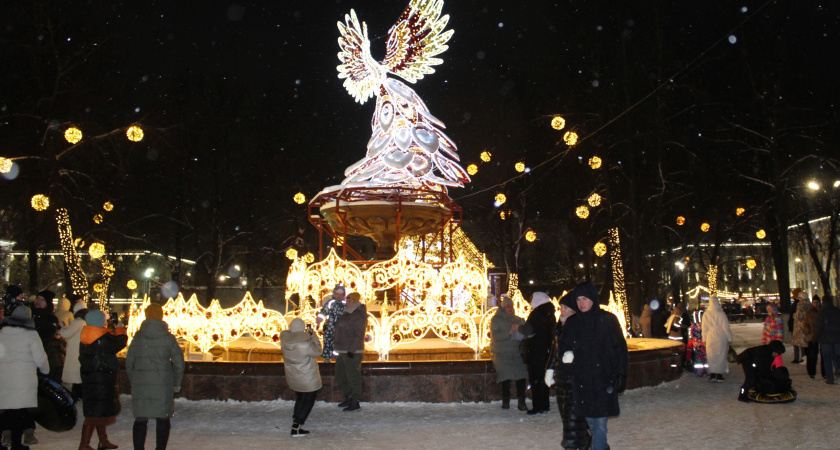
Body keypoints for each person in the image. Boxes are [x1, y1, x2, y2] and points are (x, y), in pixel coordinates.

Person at [557, 282, 628, 450]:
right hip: (582, 382)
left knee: (600, 425)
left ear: (593, 300)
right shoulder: (573, 323)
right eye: (579, 299)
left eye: (585, 299)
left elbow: (620, 347)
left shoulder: (607, 320)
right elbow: (563, 346)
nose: (582, 303)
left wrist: (621, 373)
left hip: (603, 380)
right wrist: (568, 362)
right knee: (591, 423)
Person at [126, 304, 185, 449]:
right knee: (162, 418)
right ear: (161, 316)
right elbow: (179, 362)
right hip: (162, 384)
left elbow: (129, 361)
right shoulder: (168, 338)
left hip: (141, 383)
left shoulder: (138, 337)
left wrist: (134, 380)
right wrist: (177, 382)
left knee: (140, 419)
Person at [0, 305, 49, 450]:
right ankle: (17, 443)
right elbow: (40, 357)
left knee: (6, 410)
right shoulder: (31, 335)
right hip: (24, 378)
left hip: (4, 377)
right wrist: (45, 371)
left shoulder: (2, 333)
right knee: (20, 412)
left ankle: (6, 438)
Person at [77, 310, 128, 450]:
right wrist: (119, 328)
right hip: (102, 378)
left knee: (97, 410)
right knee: (94, 413)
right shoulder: (102, 339)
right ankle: (84, 444)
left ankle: (103, 440)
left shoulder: (87, 335)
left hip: (91, 377)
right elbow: (120, 342)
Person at [546, 293, 589, 450]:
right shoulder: (560, 326)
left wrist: (573, 356)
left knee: (573, 418)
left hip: (574, 379)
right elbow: (555, 351)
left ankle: (581, 444)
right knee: (566, 416)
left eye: (566, 308)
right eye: (561, 308)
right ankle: (583, 441)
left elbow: (587, 351)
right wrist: (549, 370)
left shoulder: (579, 326)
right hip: (561, 378)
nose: (562, 311)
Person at [280, 318, 323, 436]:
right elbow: (318, 351)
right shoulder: (305, 344)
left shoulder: (285, 342)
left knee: (300, 398)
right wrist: (313, 337)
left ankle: (296, 420)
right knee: (308, 400)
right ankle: (296, 426)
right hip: (307, 377)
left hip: (294, 376)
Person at [518, 291, 555, 415]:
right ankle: (545, 404)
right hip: (546, 350)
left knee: (536, 378)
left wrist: (519, 326)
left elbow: (528, 329)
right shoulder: (550, 312)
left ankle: (538, 406)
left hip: (536, 351)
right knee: (543, 379)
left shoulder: (536, 314)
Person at [489, 295, 527, 410]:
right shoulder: (496, 320)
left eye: (511, 306)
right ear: (503, 308)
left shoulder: (517, 319)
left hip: (514, 353)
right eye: (507, 306)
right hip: (501, 353)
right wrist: (510, 332)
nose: (510, 308)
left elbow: (525, 333)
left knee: (521, 375)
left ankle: (521, 401)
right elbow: (495, 336)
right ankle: (506, 400)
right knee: (505, 376)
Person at [332, 291, 367, 412]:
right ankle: (349, 396)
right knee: (341, 375)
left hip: (353, 351)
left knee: (352, 376)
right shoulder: (347, 313)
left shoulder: (358, 315)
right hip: (342, 350)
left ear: (355, 301)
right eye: (347, 300)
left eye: (349, 300)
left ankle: (355, 400)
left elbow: (359, 334)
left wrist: (352, 350)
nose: (346, 302)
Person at [59, 302, 88, 398]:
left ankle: (73, 396)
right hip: (81, 351)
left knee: (72, 377)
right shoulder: (85, 322)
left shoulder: (77, 322)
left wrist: (62, 329)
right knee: (78, 376)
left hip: (74, 352)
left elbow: (66, 334)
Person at [702, 297, 733, 382]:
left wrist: (704, 339)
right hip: (721, 337)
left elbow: (704, 328)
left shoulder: (706, 314)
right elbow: (726, 327)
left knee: (711, 356)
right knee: (721, 355)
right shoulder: (721, 314)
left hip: (710, 337)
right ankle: (719, 374)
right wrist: (730, 338)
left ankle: (712, 374)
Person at [815, 295, 840, 385]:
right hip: (837, 339)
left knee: (827, 359)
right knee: (838, 357)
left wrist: (815, 338)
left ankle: (830, 378)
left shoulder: (821, 312)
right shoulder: (837, 311)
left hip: (825, 340)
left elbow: (817, 327)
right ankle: (838, 372)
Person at [316, 286, 346, 360]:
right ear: (334, 294)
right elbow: (323, 313)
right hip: (330, 326)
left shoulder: (345, 304)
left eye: (341, 295)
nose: (339, 296)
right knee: (328, 341)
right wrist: (318, 322)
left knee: (339, 342)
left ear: (343, 295)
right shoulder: (330, 303)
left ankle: (338, 358)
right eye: (337, 294)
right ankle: (327, 358)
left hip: (341, 328)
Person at [802, 296, 824, 379]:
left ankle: (824, 373)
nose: (816, 304)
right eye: (814, 302)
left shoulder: (822, 311)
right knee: (812, 356)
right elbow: (805, 323)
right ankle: (811, 372)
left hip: (822, 336)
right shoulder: (809, 313)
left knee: (824, 355)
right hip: (812, 336)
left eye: (817, 302)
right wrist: (808, 331)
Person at [791, 289, 811, 365]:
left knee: (801, 343)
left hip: (800, 326)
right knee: (805, 343)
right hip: (807, 325)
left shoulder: (801, 304)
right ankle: (805, 357)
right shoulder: (809, 304)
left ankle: (803, 358)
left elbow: (798, 316)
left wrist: (794, 315)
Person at [686, 310, 708, 377]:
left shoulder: (693, 326)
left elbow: (691, 335)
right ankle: (708, 371)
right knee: (706, 357)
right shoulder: (705, 325)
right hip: (705, 342)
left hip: (696, 344)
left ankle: (699, 372)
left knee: (698, 358)